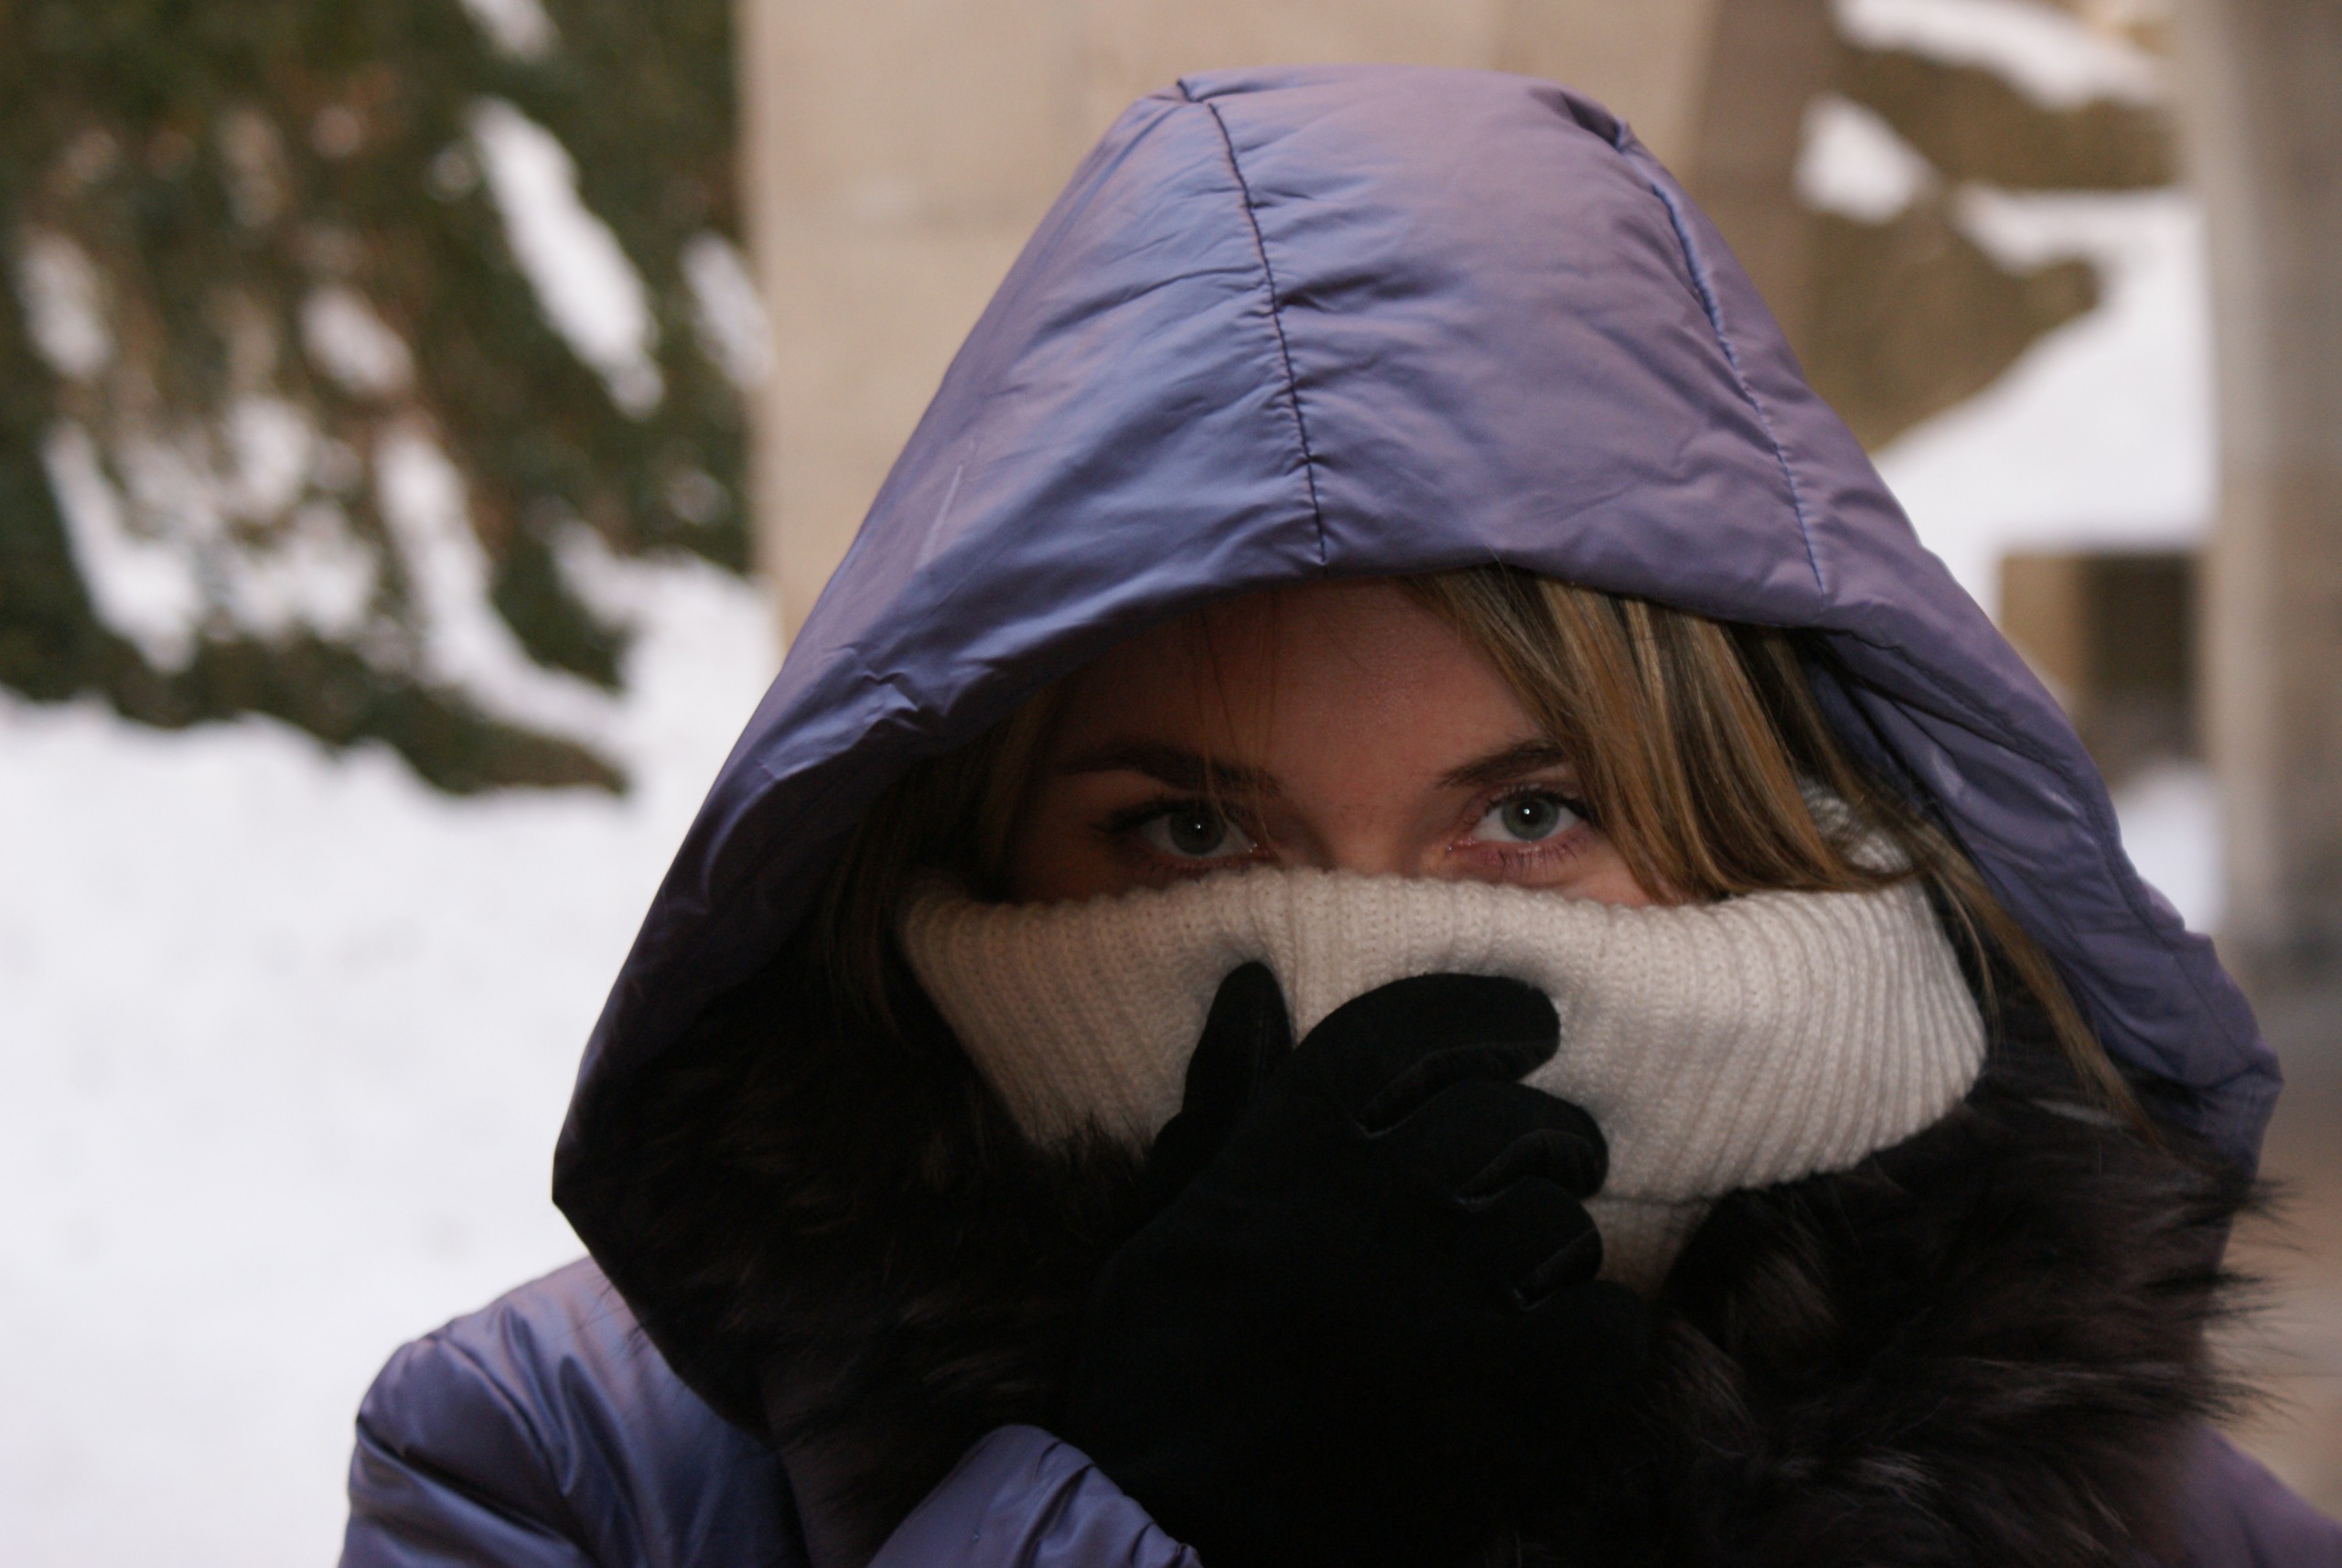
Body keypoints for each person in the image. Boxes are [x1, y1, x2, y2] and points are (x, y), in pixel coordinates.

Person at [338, 65, 2342, 1567]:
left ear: (1750, 822)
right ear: (951, 841)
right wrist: (1120, 1504)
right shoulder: (557, 1468)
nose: (1366, 961)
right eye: (1192, 834)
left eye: (1531, 809)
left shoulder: (2137, 1518)